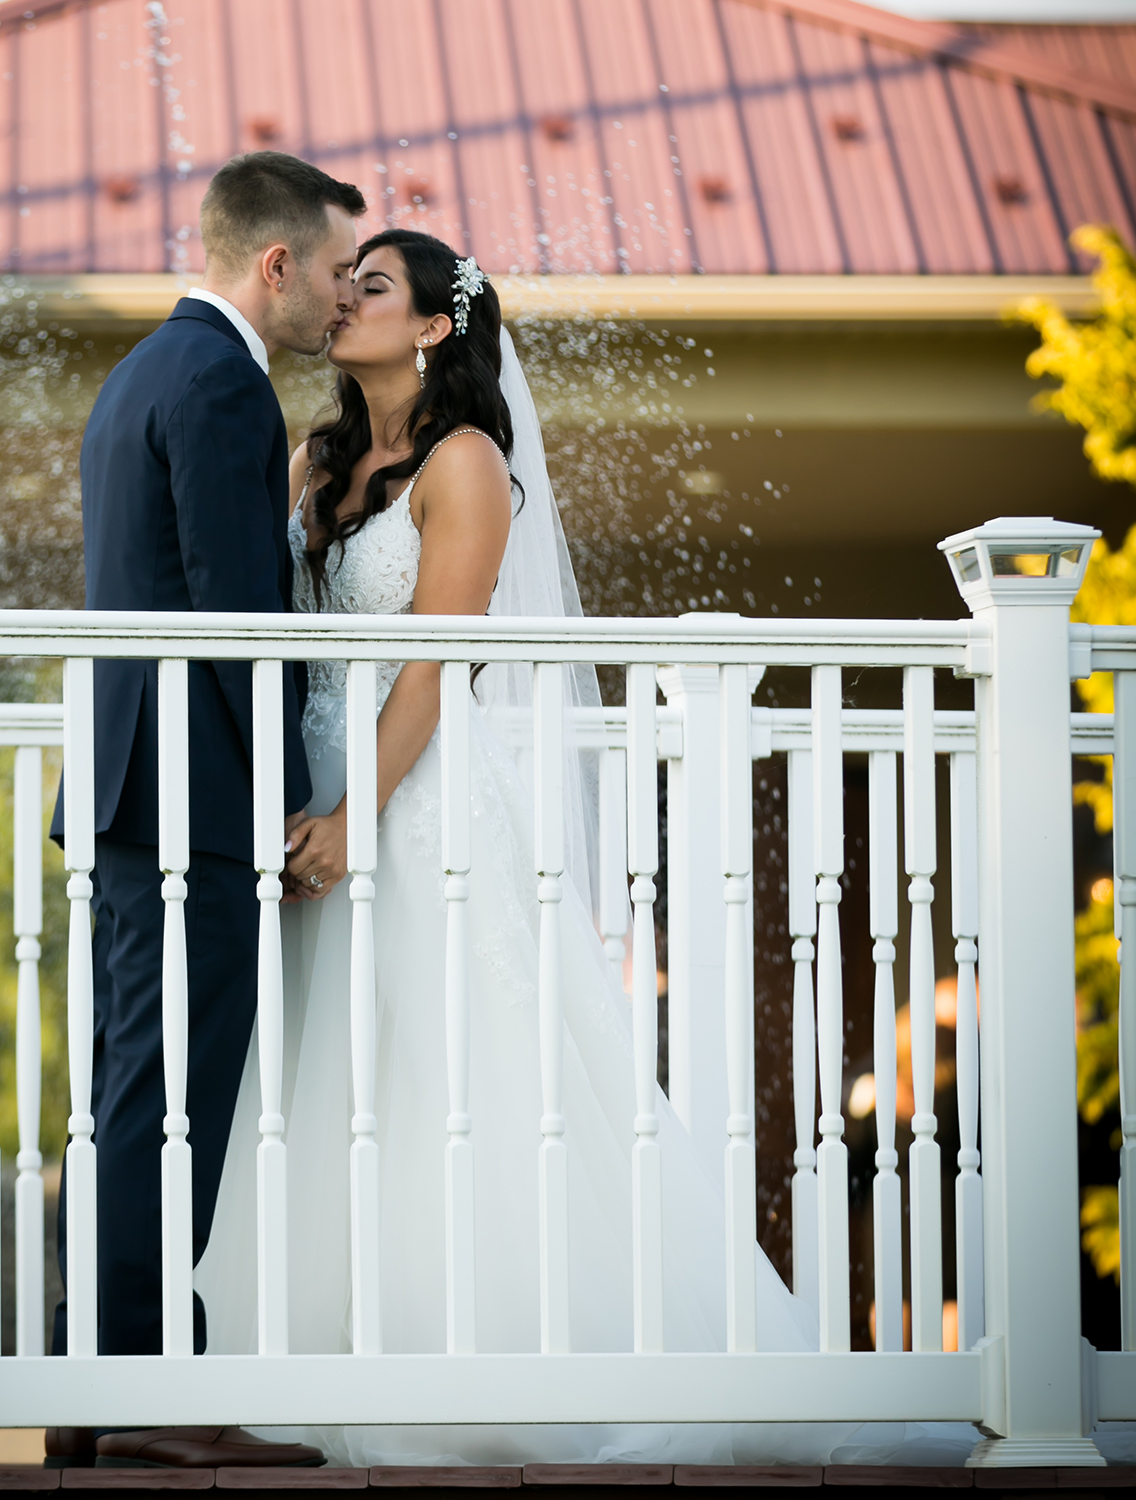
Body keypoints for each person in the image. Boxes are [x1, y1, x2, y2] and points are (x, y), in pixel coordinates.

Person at [190, 230, 821, 1463]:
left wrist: (355, 813)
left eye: (371, 287)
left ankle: (492, 1364)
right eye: (344, 280)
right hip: (313, 782)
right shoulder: (314, 457)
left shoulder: (467, 461)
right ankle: (314, 1367)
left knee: (444, 1063)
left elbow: (435, 669)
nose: (342, 299)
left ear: (432, 327)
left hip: (413, 795)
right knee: (322, 1073)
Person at [45, 152, 365, 1472]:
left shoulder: (139, 376)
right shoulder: (227, 385)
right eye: (340, 272)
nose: (346, 300)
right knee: (170, 1097)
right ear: (275, 264)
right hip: (193, 804)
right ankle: (148, 1397)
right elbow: (243, 623)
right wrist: (291, 809)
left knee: (134, 1092)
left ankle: (95, 1389)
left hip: (135, 787)